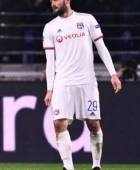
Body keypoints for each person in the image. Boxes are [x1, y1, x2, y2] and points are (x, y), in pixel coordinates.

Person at [42, 0, 122, 170]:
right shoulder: (49, 27)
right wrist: (50, 89)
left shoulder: (87, 20)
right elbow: (50, 61)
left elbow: (101, 47)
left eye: (56, 0)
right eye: (51, 1)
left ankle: (96, 165)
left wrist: (113, 73)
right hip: (63, 82)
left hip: (87, 82)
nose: (53, 4)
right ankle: (68, 167)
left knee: (93, 124)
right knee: (58, 124)